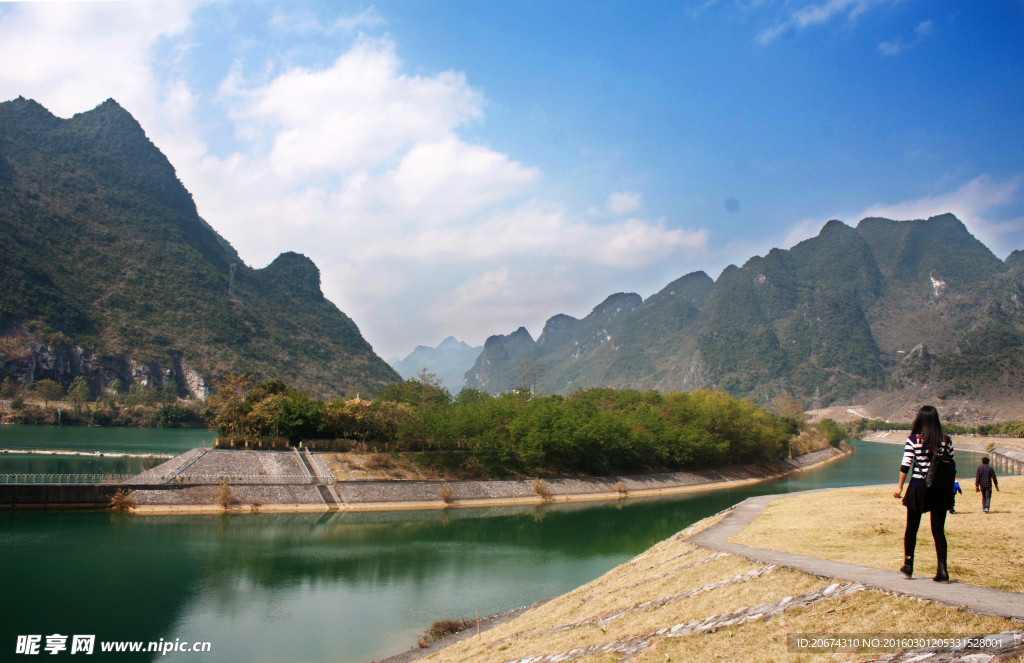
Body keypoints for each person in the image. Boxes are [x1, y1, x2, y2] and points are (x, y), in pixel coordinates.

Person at [893, 405, 954, 583]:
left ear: (919, 419)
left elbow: (906, 464)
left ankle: (908, 564)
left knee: (912, 527)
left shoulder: (913, 439)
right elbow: (951, 464)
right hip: (940, 489)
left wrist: (899, 487)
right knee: (938, 531)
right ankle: (942, 570)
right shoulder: (946, 440)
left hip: (918, 487)